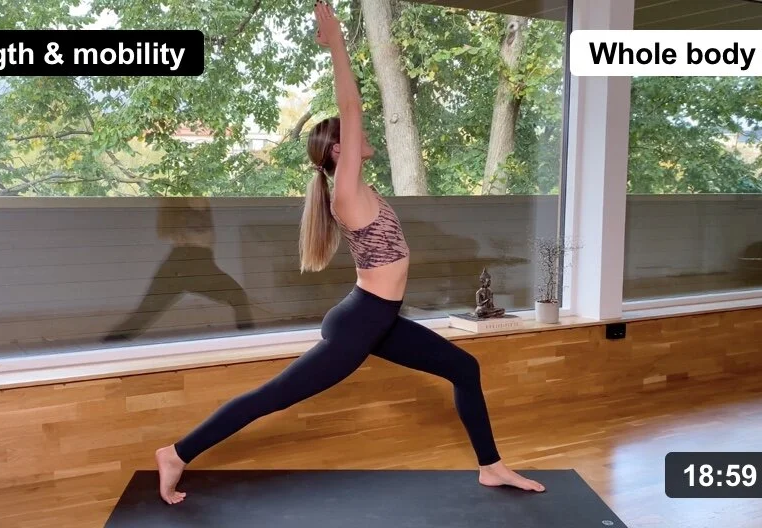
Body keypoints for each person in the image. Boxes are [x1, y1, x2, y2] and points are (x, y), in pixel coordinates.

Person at [155, 2, 545, 504]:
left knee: (464, 369)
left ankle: (491, 467)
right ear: (339, 150)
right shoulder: (346, 191)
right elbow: (353, 107)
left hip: (376, 317)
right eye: (352, 133)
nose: (364, 132)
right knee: (274, 396)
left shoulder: (357, 190)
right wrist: (337, 44)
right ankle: (177, 453)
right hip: (361, 322)